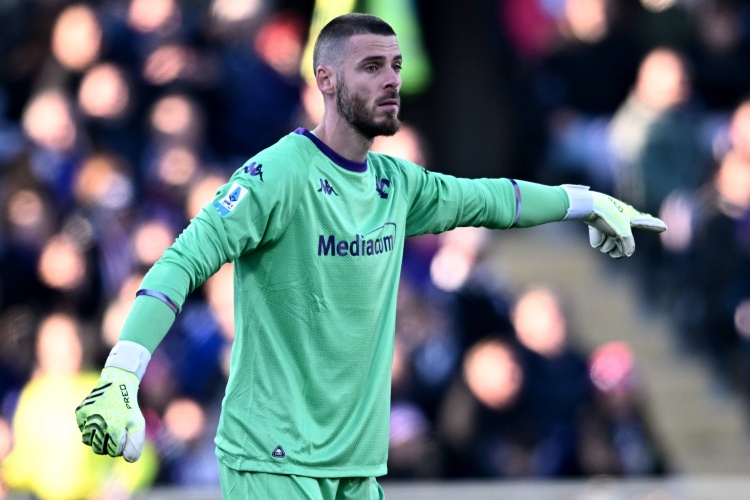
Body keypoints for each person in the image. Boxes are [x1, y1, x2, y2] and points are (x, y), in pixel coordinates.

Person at [75, 13, 666, 499]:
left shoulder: (395, 184)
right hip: (274, 463)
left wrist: (584, 201)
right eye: (372, 67)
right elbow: (181, 262)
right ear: (326, 80)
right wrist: (123, 371)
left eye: (396, 67)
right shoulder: (277, 175)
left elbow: (493, 198)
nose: (391, 81)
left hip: (353, 467)